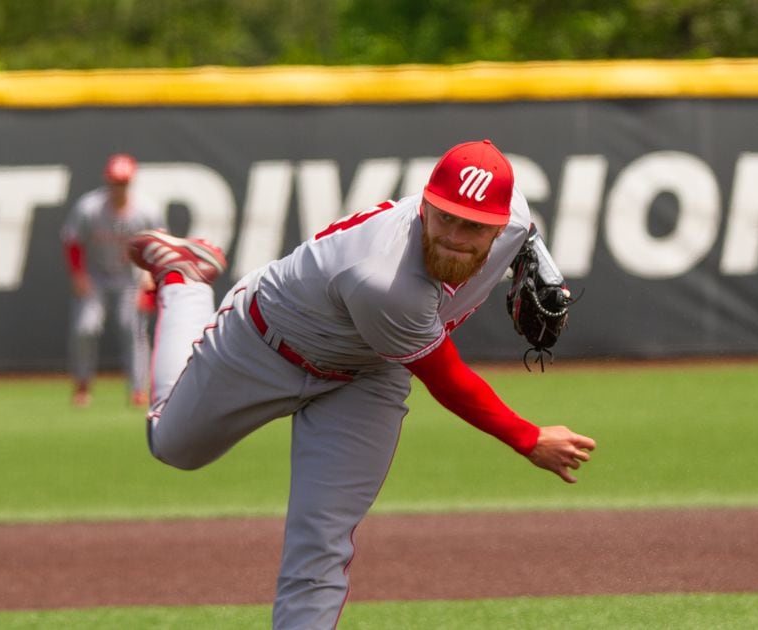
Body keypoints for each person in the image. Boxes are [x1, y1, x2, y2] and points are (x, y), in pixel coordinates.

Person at [127, 139, 596, 629]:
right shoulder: (384, 277)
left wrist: (530, 250)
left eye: (474, 225)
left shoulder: (516, 220)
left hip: (370, 375)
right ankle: (184, 279)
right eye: (445, 217)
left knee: (321, 544)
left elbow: (524, 231)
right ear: (424, 206)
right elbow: (447, 379)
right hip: (266, 345)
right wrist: (528, 437)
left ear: (501, 225)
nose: (455, 235)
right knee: (172, 444)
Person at [61, 153, 164, 408]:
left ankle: (138, 390)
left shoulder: (146, 210)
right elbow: (72, 240)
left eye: (124, 182)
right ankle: (82, 385)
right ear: (107, 181)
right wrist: (78, 274)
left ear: (131, 182)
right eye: (115, 182)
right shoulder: (90, 207)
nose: (119, 187)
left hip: (130, 277)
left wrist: (150, 278)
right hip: (95, 277)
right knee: (85, 327)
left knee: (132, 329)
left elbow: (159, 245)